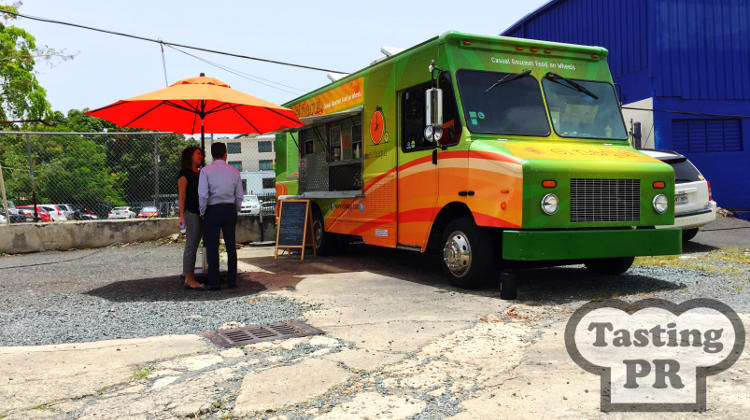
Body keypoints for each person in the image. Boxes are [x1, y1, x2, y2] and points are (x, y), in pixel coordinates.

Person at [198, 142, 243, 290]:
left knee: (212, 247)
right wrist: (235, 209)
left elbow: (203, 195)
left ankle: (214, 282)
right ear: (225, 154)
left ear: (212, 155)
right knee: (231, 246)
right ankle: (232, 281)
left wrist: (202, 211)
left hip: (212, 210)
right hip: (229, 210)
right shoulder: (235, 172)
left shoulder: (205, 171)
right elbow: (239, 196)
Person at [178, 146, 203, 289]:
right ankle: (189, 278)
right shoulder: (184, 174)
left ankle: (190, 276)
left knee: (195, 245)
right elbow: (181, 196)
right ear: (190, 156)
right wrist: (181, 217)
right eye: (198, 154)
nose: (201, 156)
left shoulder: (199, 173)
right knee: (191, 245)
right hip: (191, 213)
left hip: (200, 213)